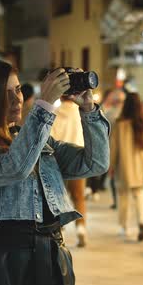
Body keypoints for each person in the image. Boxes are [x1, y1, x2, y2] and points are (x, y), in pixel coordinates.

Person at [0, 59, 109, 285]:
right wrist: (45, 104)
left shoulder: (38, 140)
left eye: (17, 89)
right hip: (5, 264)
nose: (16, 99)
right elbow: (16, 167)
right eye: (4, 92)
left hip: (52, 256)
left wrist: (88, 109)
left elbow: (95, 163)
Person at [109, 92, 143, 242]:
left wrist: (111, 165)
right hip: (140, 164)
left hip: (124, 165)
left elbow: (113, 146)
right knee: (139, 194)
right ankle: (142, 222)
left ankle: (124, 226)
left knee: (123, 196)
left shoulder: (119, 123)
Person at [50, 96, 88, 248]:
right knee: (79, 197)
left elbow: (50, 136)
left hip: (57, 160)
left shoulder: (55, 112)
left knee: (58, 199)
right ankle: (81, 230)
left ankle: (61, 233)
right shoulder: (80, 112)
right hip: (78, 158)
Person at [101, 89, 126, 209]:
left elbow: (103, 132)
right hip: (125, 148)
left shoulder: (108, 114)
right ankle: (122, 199)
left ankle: (117, 200)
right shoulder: (128, 115)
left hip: (111, 147)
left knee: (113, 174)